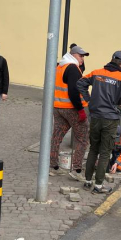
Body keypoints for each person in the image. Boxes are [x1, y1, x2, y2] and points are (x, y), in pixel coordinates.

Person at [77, 51, 121, 194]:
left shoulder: (96, 73)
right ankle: (98, 186)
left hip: (94, 117)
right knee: (105, 152)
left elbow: (80, 83)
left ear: (111, 60)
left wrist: (88, 99)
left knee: (94, 149)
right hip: (110, 119)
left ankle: (88, 181)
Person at [50, 45, 90, 181]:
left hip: (58, 107)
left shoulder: (59, 66)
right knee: (83, 137)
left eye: (83, 56)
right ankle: (77, 170)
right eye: (81, 56)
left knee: (57, 136)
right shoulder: (72, 68)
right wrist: (80, 110)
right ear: (73, 55)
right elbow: (74, 91)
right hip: (71, 108)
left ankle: (53, 167)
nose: (82, 59)